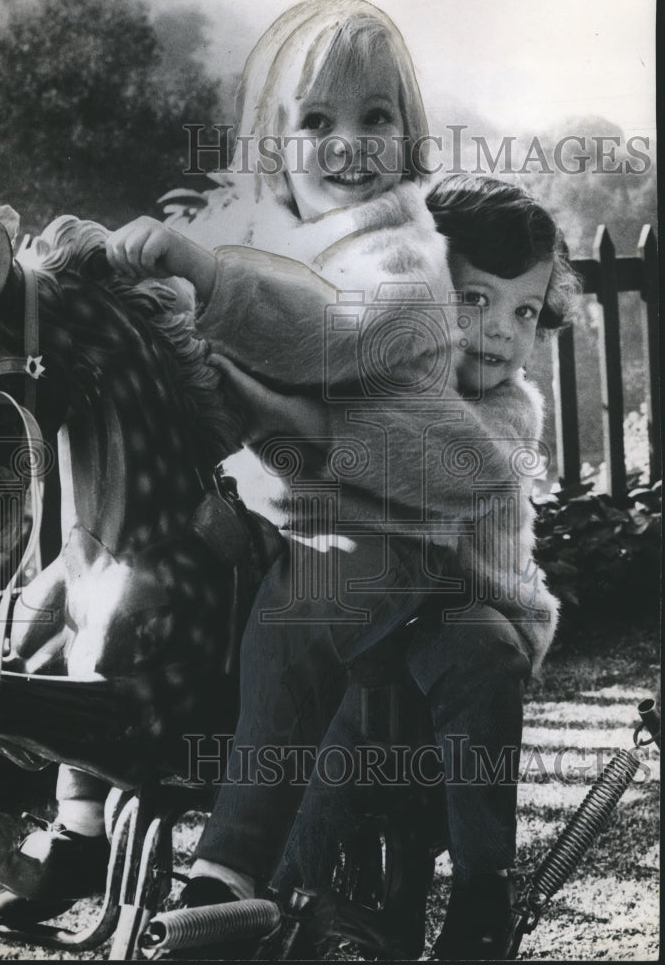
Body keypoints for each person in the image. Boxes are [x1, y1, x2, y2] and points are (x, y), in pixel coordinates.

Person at [0, 0, 453, 927]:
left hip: (383, 524)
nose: (345, 142)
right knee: (108, 585)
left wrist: (205, 277)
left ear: (411, 139)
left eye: (374, 117)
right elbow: (238, 394)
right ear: (278, 144)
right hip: (281, 504)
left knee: (291, 620)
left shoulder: (408, 263)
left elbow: (322, 340)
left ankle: (230, 867)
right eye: (316, 121)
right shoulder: (277, 242)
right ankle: (80, 822)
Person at [108, 167, 579, 961]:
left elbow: (369, 456)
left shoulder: (505, 410)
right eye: (475, 299)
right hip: (356, 605)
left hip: (455, 596)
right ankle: (248, 891)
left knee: (475, 647)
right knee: (321, 642)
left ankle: (479, 895)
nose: (502, 331)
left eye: (524, 311)